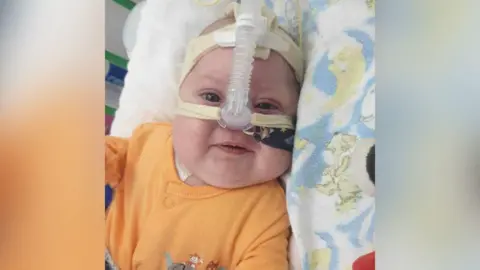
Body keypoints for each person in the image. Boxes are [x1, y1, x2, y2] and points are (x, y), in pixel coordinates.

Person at [105, 3, 304, 269]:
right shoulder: (146, 141)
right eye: (211, 97)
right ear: (180, 103)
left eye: (266, 106)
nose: (236, 121)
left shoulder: (266, 210)